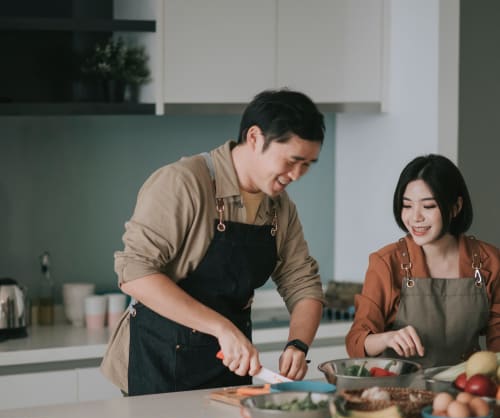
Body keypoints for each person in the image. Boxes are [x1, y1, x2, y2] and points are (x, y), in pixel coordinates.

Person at [101, 89, 326, 396]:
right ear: (255, 138)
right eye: (292, 160)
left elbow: (303, 284)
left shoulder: (279, 207)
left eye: (308, 164)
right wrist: (221, 328)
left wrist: (298, 344)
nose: (297, 175)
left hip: (229, 369)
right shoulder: (184, 183)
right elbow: (135, 275)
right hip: (161, 365)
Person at [345, 154, 500, 368]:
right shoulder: (386, 263)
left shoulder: (489, 261)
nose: (415, 217)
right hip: (402, 393)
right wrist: (387, 338)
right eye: (407, 206)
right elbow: (356, 342)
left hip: (466, 390)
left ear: (455, 207)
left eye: (428, 206)